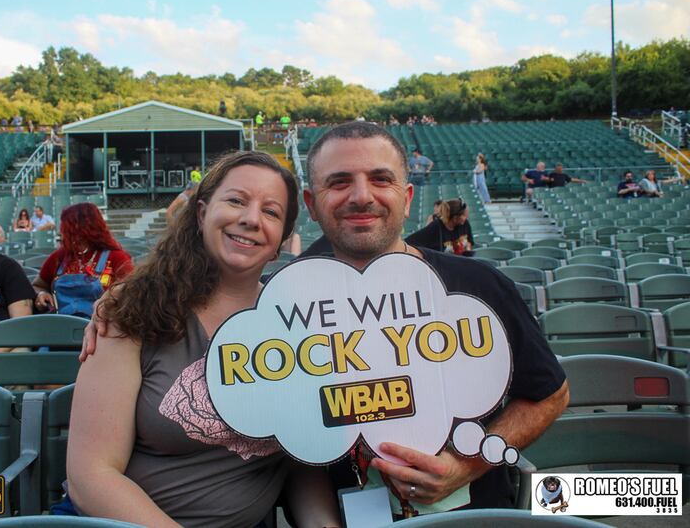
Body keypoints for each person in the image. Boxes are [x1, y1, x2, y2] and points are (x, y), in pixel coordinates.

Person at [82, 122, 569, 512]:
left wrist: (468, 464)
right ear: (313, 206)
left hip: (473, 517)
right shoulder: (286, 306)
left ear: (407, 196)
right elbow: (294, 450)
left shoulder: (478, 284)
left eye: (380, 179)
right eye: (339, 182)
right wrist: (119, 303)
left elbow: (551, 393)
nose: (361, 196)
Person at [66, 151, 340, 526]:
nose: (250, 219)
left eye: (271, 212)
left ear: (281, 240)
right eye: (236, 201)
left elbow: (300, 464)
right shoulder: (132, 308)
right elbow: (91, 476)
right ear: (201, 214)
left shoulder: (300, 323)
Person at [32, 203, 133, 318]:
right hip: (61, 326)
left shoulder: (117, 257)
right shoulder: (59, 257)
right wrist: (41, 294)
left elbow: (132, 293)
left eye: (66, 228)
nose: (63, 232)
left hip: (102, 328)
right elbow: (37, 285)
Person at [406, 198, 474, 256]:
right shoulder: (436, 227)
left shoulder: (465, 224)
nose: (466, 217)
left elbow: (470, 242)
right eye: (464, 215)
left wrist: (467, 248)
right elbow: (410, 241)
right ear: (455, 218)